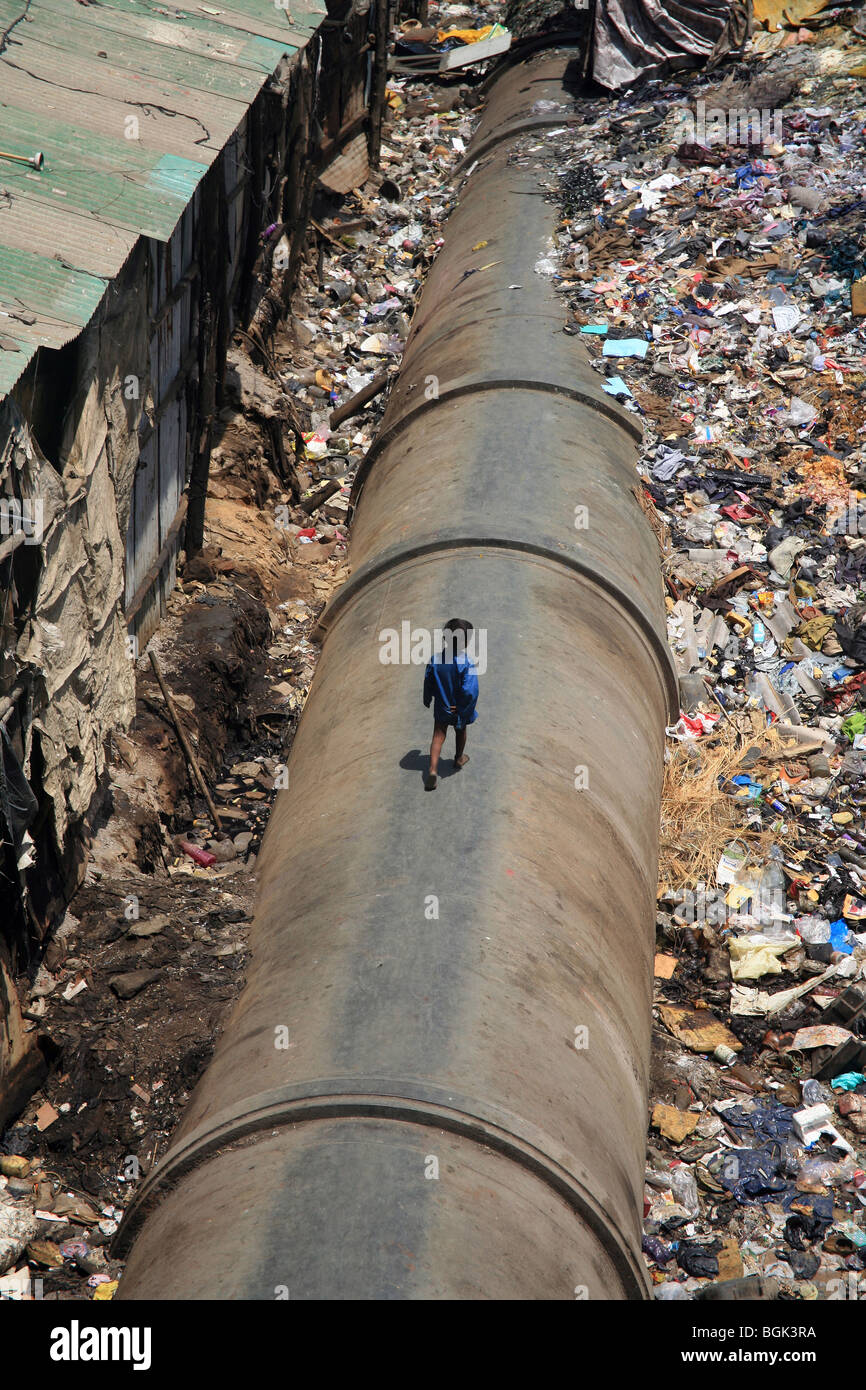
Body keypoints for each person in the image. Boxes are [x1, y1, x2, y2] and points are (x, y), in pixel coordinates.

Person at [422, 618, 479, 790]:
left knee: (438, 736)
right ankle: (458, 758)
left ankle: (432, 770)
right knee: (460, 732)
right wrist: (465, 709)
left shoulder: (435, 660)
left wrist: (427, 698)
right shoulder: (466, 663)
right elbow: (470, 690)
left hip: (442, 706)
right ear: (466, 642)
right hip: (458, 709)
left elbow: (428, 681)